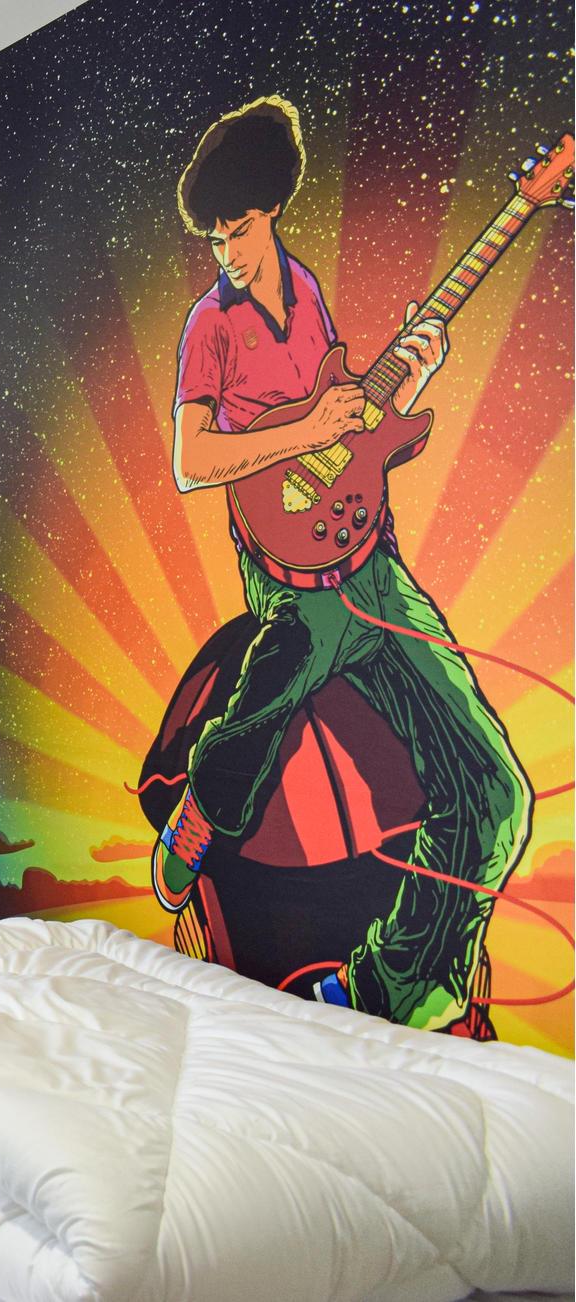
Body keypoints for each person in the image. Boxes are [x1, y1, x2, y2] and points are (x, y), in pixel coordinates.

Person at [155, 96, 531, 1033]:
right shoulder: (209, 325)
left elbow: (349, 424)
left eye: (239, 230)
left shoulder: (307, 291)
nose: (228, 253)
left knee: (498, 790)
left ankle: (381, 996)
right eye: (215, 238)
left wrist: (411, 379)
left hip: (370, 557)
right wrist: (302, 432)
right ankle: (208, 801)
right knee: (283, 667)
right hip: (285, 566)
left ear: (272, 211)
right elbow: (192, 461)